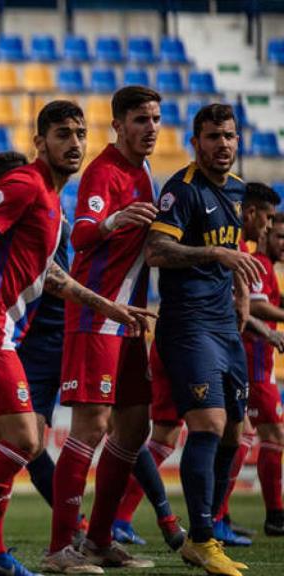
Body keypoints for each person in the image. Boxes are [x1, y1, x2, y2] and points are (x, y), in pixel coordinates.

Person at [0, 100, 153, 576]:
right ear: (40, 142)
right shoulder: (27, 183)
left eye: (78, 134)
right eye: (61, 135)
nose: (73, 144)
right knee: (26, 439)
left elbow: (49, 274)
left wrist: (104, 304)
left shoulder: (51, 200)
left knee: (2, 443)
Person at [42, 86, 165, 573]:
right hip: (97, 317)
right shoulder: (105, 171)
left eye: (155, 119)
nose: (150, 128)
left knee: (134, 428)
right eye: (140, 120)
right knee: (90, 428)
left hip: (130, 320)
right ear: (118, 125)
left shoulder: (145, 171)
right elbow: (84, 231)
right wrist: (114, 219)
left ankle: (97, 541)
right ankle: (58, 550)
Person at [144, 103, 262, 576]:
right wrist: (211, 251)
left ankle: (202, 533)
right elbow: (156, 250)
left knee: (236, 431)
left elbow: (233, 253)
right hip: (187, 324)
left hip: (223, 326)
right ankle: (204, 537)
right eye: (213, 136)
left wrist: (242, 298)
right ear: (196, 142)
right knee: (209, 424)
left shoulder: (236, 190)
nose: (223, 145)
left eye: (230, 136)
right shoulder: (183, 189)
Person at [240, 201, 284, 537]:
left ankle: (218, 515)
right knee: (272, 436)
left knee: (242, 437)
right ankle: (275, 514)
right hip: (252, 363)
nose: (283, 242)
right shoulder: (259, 263)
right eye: (279, 234)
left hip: (261, 363)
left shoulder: (267, 264)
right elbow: (255, 306)